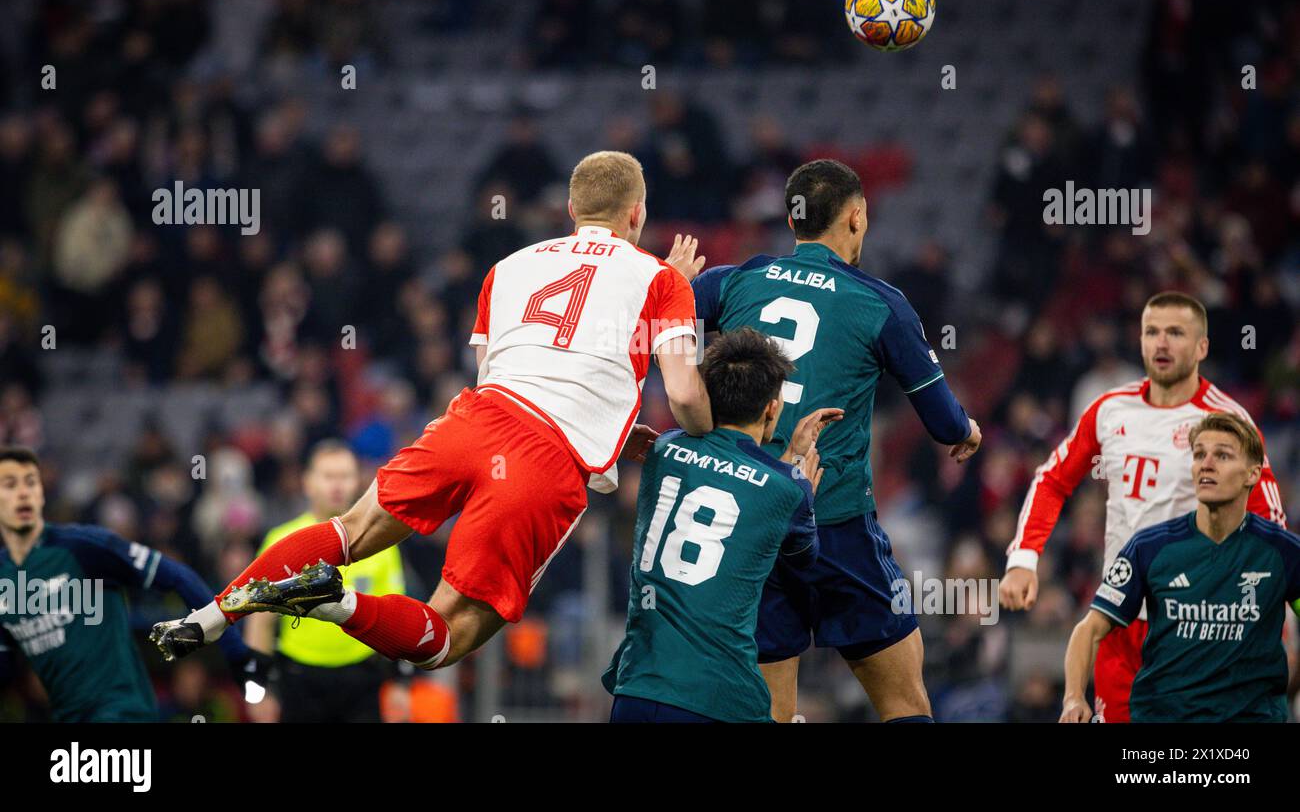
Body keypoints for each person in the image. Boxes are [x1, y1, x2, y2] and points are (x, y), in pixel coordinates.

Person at [150, 151, 712, 674]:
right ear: (637, 212)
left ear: (571, 210)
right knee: (448, 632)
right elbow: (685, 395)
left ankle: (208, 617)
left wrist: (605, 422)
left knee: (348, 529)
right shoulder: (660, 278)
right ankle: (338, 604)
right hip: (542, 461)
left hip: (475, 420)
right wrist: (707, 432)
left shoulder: (509, 266)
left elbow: (492, 371)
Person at [689, 159, 982, 722]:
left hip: (758, 520)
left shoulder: (738, 279)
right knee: (904, 700)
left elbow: (664, 309)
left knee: (772, 709)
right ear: (856, 217)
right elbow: (945, 424)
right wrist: (967, 430)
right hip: (836, 524)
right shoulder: (880, 302)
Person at [1002, 291, 1288, 722]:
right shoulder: (1110, 409)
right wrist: (1024, 558)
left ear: (1202, 347)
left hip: (1198, 621)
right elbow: (1052, 479)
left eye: (1176, 333)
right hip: (1120, 616)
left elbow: (1270, 522)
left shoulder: (1227, 422)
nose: (1162, 343)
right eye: (1152, 332)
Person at [604, 327, 841, 722]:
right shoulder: (789, 489)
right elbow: (802, 559)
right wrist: (800, 482)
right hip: (720, 698)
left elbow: (726, 476)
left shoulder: (662, 450)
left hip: (637, 689)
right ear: (770, 407)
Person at [1061, 412, 1300, 723]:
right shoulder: (1150, 548)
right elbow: (1089, 629)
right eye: (1199, 454)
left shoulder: (1282, 554)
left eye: (1222, 455)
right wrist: (1073, 698)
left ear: (1252, 474)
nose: (1207, 464)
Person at [0, 446, 265, 722]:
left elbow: (178, 576)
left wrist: (236, 652)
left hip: (119, 713)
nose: (22, 494)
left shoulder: (83, 547)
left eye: (30, 483)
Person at [245, 440, 405, 723]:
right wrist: (257, 690)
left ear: (357, 482)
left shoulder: (381, 544)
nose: (337, 485)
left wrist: (400, 684)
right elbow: (260, 622)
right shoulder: (281, 541)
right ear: (308, 483)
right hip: (299, 677)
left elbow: (395, 619)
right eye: (328, 476)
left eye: (344, 476)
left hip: (361, 678)